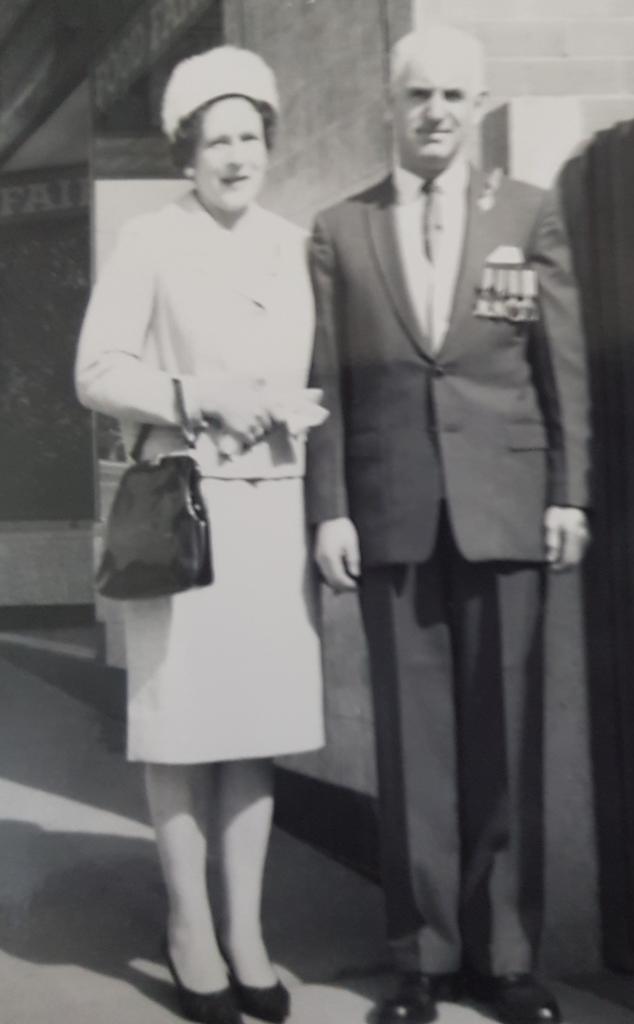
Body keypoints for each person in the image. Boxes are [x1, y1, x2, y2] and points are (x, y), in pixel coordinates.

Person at [306, 26, 590, 1024]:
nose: (436, 112)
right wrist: (331, 510)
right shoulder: (340, 230)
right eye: (418, 95)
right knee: (413, 749)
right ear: (392, 105)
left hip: (508, 510)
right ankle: (422, 959)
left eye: (454, 97)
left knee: (506, 743)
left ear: (477, 107)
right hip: (391, 514)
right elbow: (328, 388)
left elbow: (564, 363)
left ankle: (506, 956)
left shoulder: (527, 211)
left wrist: (569, 490)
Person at [76, 46, 326, 1024]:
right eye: (215, 139)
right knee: (180, 726)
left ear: (269, 144)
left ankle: (249, 931)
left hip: (270, 506)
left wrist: (281, 406)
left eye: (249, 136)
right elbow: (98, 370)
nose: (235, 154)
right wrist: (197, 393)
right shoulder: (149, 240)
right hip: (181, 508)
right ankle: (190, 929)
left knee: (254, 729)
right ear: (188, 153)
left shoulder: (295, 243)